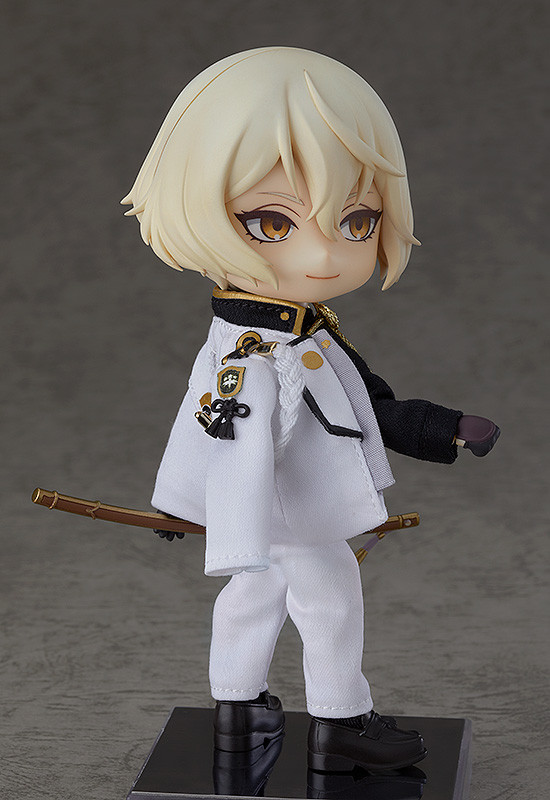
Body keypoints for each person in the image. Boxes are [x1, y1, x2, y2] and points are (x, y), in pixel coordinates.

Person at [122, 47, 499, 772]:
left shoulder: (300, 335)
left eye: (356, 222)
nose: (324, 256)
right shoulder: (253, 353)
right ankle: (341, 720)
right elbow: (218, 431)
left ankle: (238, 712)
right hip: (293, 515)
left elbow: (367, 406)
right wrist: (191, 507)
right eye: (272, 222)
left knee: (253, 597)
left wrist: (443, 428)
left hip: (275, 516)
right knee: (330, 600)